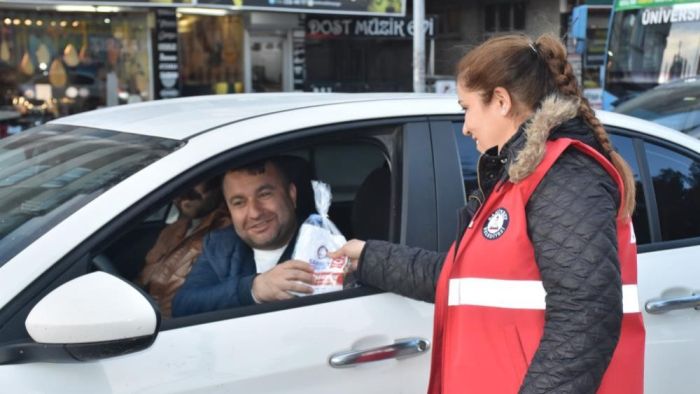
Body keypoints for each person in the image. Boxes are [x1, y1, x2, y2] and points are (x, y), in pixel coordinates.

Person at [332, 33, 644, 394]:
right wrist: (369, 257)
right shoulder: (518, 178)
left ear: (500, 101)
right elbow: (463, 278)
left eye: (466, 108)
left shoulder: (564, 175)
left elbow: (586, 316)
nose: (464, 126)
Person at [171, 157, 314, 317]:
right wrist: (253, 289)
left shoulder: (321, 244)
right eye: (239, 203)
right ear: (229, 210)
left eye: (264, 194)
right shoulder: (221, 244)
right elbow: (183, 306)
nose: (254, 213)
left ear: (291, 195)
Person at [137, 178, 230, 318]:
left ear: (217, 188)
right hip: (144, 313)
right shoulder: (173, 229)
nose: (181, 196)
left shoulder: (226, 233)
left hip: (175, 325)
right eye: (178, 190)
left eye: (192, 189)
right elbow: (144, 277)